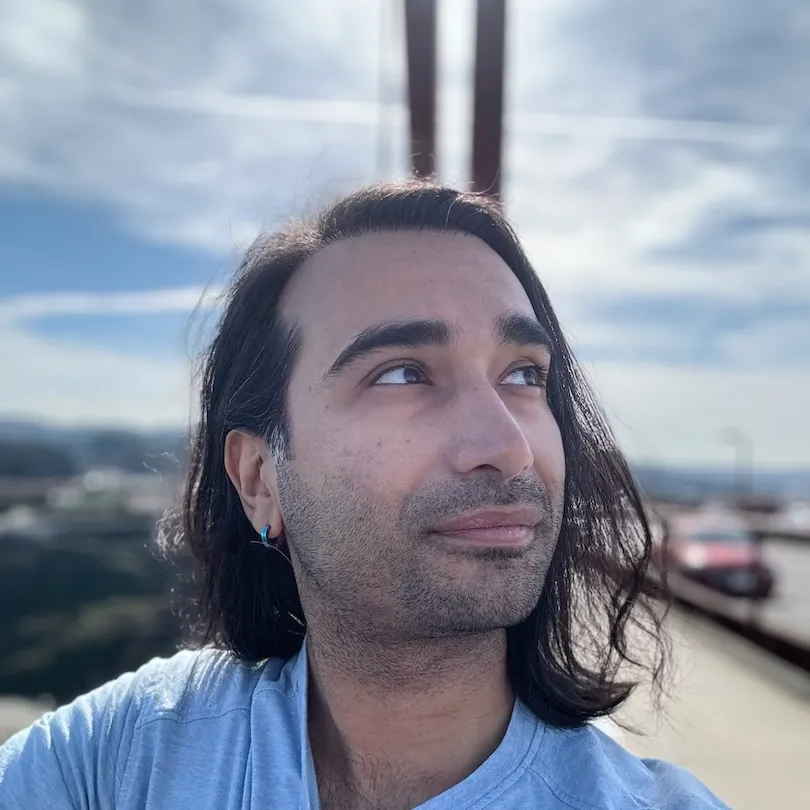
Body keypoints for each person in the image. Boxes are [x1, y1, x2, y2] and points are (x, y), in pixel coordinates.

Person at [0, 181, 730, 809]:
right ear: (259, 479)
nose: (507, 444)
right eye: (403, 373)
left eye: (525, 375)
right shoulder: (118, 760)